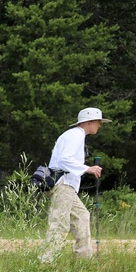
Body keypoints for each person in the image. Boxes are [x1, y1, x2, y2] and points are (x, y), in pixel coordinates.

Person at [38, 107, 108, 263]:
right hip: (63, 185)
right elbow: (64, 159)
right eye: (98, 122)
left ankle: (84, 261)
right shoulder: (76, 135)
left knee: (82, 216)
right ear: (89, 122)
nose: (99, 126)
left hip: (65, 185)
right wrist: (88, 168)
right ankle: (45, 263)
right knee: (60, 224)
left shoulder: (73, 135)